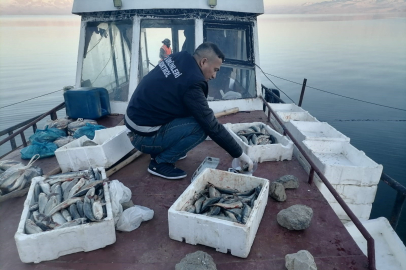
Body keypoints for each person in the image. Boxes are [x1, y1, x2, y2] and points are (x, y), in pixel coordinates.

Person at [125, 42, 253, 180]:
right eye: (215, 69)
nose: (215, 76)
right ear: (204, 62)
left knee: (195, 115)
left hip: (134, 124)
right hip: (143, 137)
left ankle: (167, 148)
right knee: (203, 127)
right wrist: (240, 155)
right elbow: (211, 126)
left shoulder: (180, 57)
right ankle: (160, 162)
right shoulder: (192, 83)